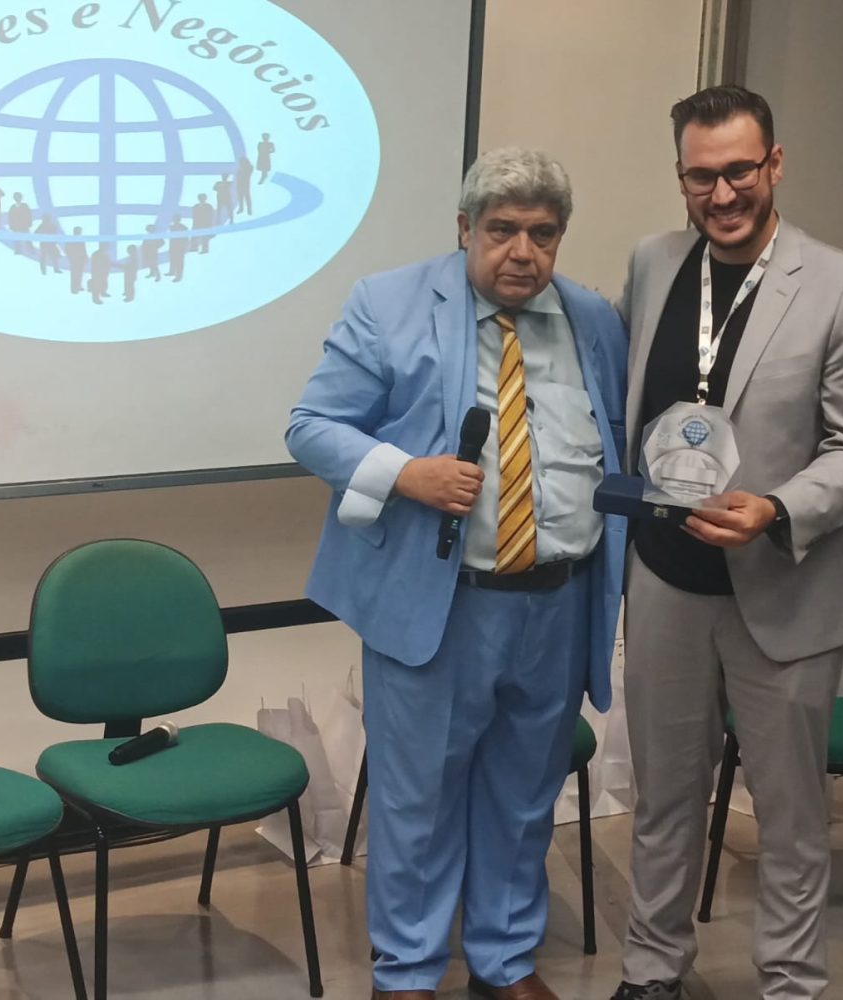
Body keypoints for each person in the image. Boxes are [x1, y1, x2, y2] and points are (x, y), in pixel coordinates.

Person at [287, 147, 628, 1000]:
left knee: (525, 794)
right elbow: (312, 426)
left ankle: (504, 961)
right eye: (503, 230)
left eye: (542, 234)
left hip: (557, 599)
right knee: (419, 801)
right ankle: (406, 971)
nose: (522, 253)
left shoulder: (591, 318)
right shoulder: (388, 303)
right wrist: (406, 473)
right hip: (440, 605)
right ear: (464, 228)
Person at [611, 85, 843, 1000]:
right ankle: (651, 973)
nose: (722, 194)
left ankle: (789, 985)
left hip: (784, 585)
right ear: (680, 178)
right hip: (665, 579)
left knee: (789, 815)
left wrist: (775, 507)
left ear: (774, 163)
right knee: (662, 799)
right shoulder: (653, 263)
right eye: (701, 177)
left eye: (739, 170)